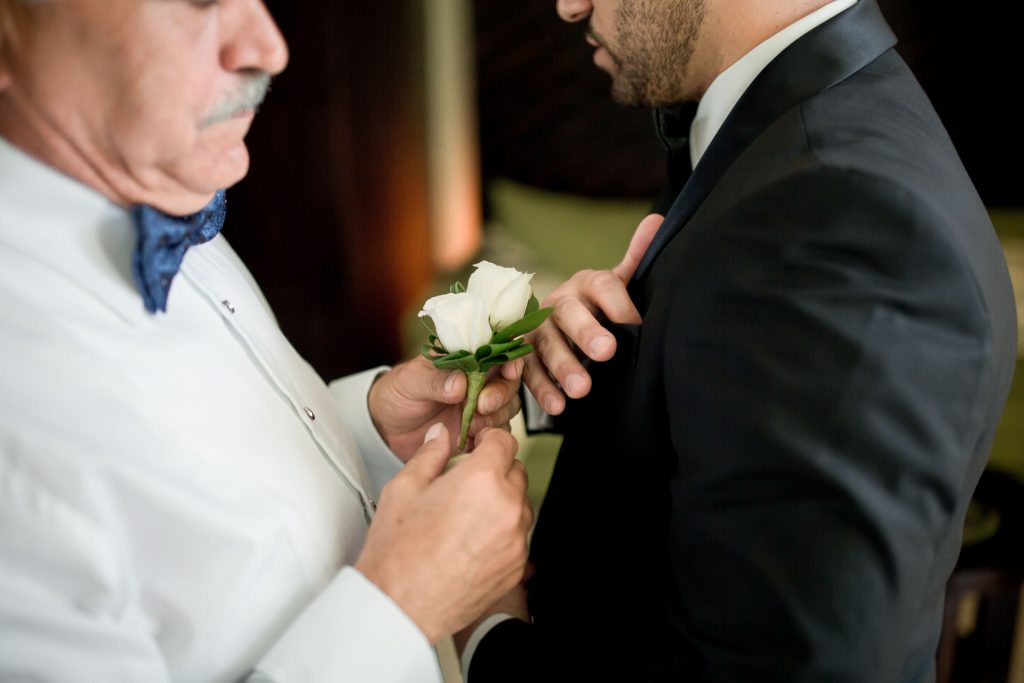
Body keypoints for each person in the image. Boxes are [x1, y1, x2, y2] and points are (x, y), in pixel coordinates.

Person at [462, 0, 1019, 680]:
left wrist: (486, 625)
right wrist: (594, 366)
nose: (569, 5)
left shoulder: (838, 214)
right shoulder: (803, 128)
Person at [0, 1, 532, 681]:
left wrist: (366, 430)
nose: (268, 48)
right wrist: (404, 604)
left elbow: (207, 519)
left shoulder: (161, 183)